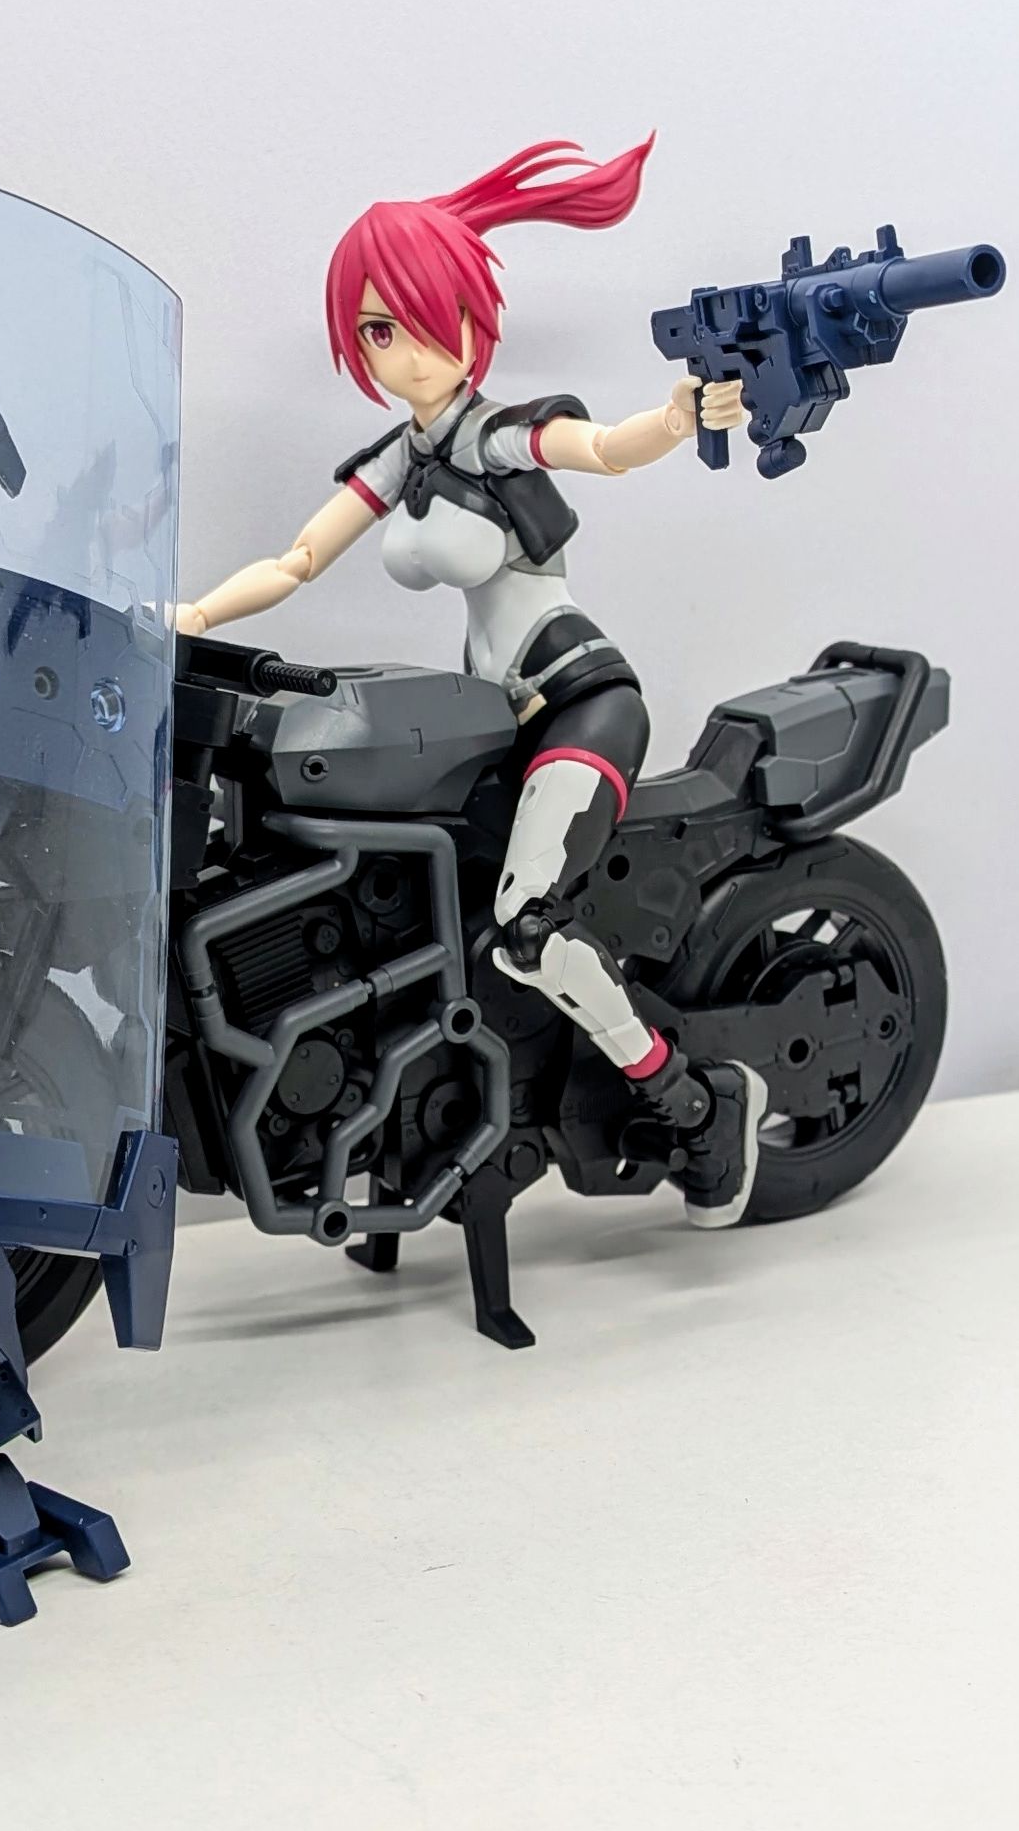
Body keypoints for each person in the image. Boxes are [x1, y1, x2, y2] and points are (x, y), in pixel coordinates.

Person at [179, 137, 765, 1225]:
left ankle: (690, 1101)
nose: (403, 354)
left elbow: (601, 448)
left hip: (577, 699)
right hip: (496, 719)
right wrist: (190, 617)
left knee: (528, 928)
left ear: (470, 315)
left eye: (423, 319)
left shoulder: (495, 438)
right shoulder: (401, 454)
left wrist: (679, 417)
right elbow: (299, 557)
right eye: (376, 330)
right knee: (426, 912)